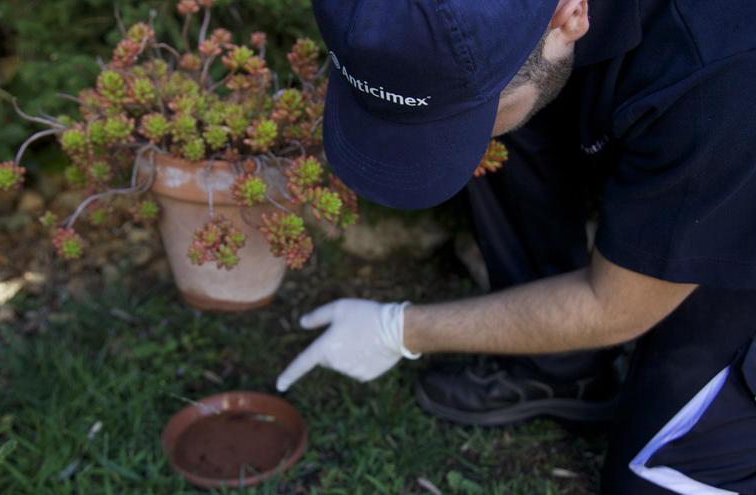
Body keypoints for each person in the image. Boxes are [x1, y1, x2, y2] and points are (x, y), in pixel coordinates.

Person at [276, 0, 756, 493]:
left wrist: (399, 329)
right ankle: (560, 369)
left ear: (570, 15)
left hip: (736, 136)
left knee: (653, 480)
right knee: (496, 107)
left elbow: (616, 306)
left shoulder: (724, 77)